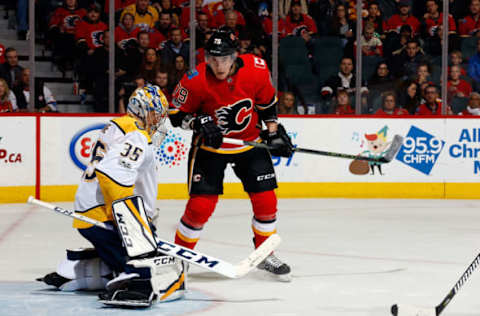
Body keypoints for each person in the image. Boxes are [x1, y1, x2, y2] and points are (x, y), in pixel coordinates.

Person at [38, 85, 186, 307]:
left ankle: (80, 270)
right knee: (154, 263)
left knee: (150, 251)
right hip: (104, 215)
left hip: (92, 214)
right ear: (143, 110)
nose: (158, 121)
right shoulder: (136, 133)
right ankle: (136, 282)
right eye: (156, 113)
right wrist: (129, 221)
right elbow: (112, 175)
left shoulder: (119, 127)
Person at [168, 28, 294, 281]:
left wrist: (273, 131)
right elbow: (175, 115)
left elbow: (267, 104)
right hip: (210, 149)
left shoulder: (257, 69)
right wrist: (198, 122)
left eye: (224, 58)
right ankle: (180, 258)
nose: (218, 64)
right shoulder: (194, 79)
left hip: (250, 145)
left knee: (266, 202)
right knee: (199, 207)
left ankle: (265, 254)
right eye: (213, 58)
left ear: (236, 55)